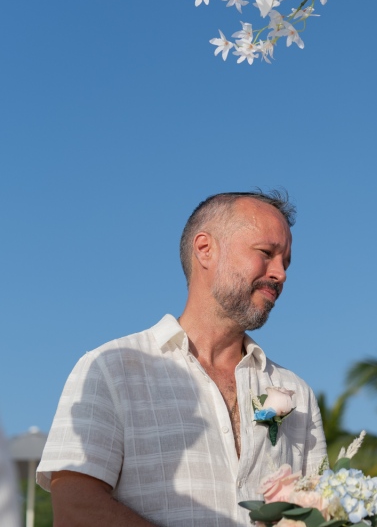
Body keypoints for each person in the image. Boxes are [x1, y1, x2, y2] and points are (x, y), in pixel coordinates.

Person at [37, 190, 327, 526]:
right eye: (266, 253)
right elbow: (76, 512)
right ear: (205, 249)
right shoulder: (111, 369)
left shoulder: (296, 392)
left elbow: (316, 513)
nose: (280, 274)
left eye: (286, 262)